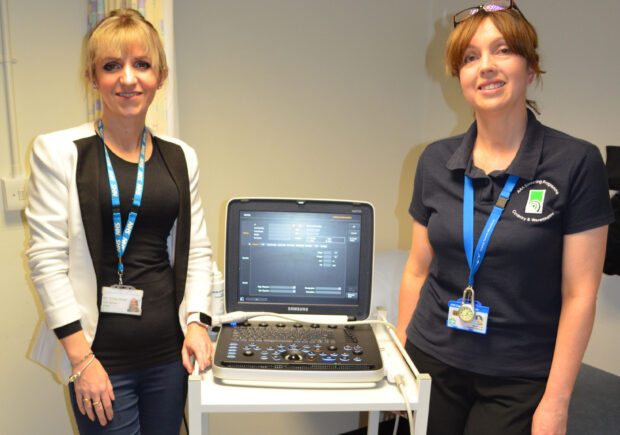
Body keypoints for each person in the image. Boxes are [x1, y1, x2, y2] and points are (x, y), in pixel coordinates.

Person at [396, 1, 613, 434]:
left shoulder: (576, 162)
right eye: (471, 57)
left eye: (503, 50)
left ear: (530, 68)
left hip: (519, 375)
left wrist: (556, 402)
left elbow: (579, 295)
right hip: (431, 361)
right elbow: (418, 272)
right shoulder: (435, 160)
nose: (486, 67)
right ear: (459, 77)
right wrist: (403, 365)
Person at [26, 9, 214, 434]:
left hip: (169, 355)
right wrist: (81, 360)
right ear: (92, 77)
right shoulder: (60, 153)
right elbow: (47, 261)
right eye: (112, 66)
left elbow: (197, 249)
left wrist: (198, 323)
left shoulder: (181, 157)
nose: (127, 78)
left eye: (141, 65)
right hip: (99, 358)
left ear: (160, 76)